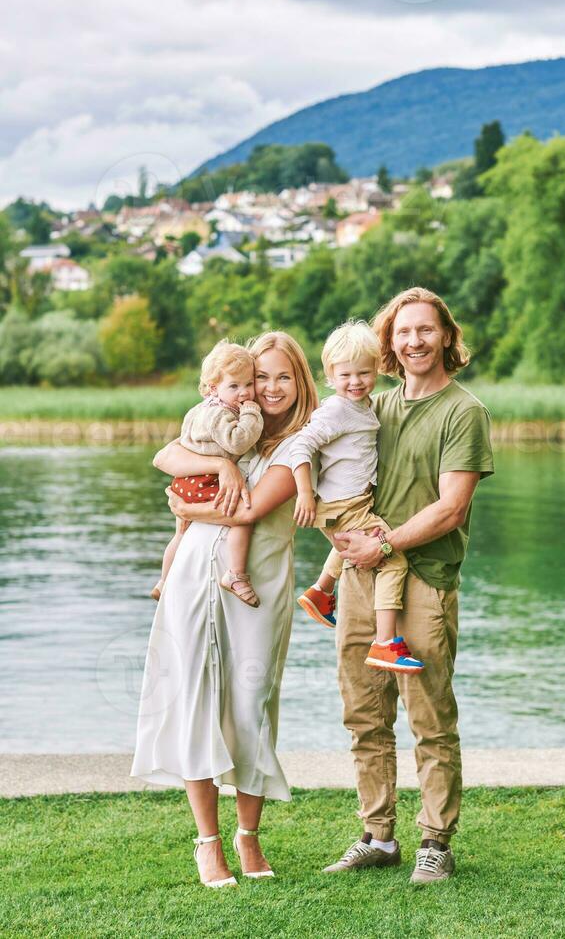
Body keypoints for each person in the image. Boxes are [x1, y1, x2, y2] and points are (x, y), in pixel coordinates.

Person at [130, 332, 319, 889]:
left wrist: (188, 502)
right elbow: (165, 454)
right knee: (195, 702)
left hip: (257, 585)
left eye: (283, 376)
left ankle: (249, 838)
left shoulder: (303, 444)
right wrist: (224, 464)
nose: (270, 387)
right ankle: (207, 844)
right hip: (193, 577)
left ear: (300, 380)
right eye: (261, 377)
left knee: (250, 707)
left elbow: (250, 514)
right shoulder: (225, 424)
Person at [322, 287, 494, 886]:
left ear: (446, 335)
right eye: (402, 332)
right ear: (388, 344)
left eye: (425, 330)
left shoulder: (463, 411)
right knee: (364, 714)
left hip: (425, 579)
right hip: (361, 579)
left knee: (428, 716)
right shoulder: (373, 407)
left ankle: (435, 841)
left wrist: (385, 544)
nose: (414, 341)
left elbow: (451, 508)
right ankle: (377, 835)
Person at [291, 319, 424, 674]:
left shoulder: (364, 406)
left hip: (353, 501)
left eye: (364, 373)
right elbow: (300, 445)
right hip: (342, 504)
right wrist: (305, 493)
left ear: (377, 369)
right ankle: (385, 643)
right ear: (330, 375)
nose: (355, 382)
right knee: (392, 558)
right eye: (345, 375)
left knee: (348, 544)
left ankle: (321, 592)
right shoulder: (336, 409)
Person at [151, 340, 264, 606]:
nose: (244, 393)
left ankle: (163, 581)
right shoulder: (220, 415)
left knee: (180, 533)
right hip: (206, 480)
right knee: (240, 518)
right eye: (234, 386)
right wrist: (252, 413)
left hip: (185, 481)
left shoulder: (198, 410)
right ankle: (236, 574)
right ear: (214, 387)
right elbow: (238, 441)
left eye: (249, 384)